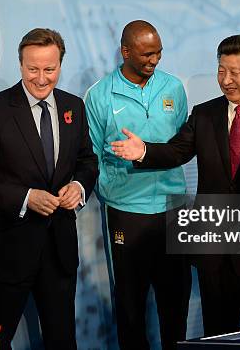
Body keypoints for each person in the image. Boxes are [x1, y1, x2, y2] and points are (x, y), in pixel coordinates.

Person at [111, 34, 240, 334]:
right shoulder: (205, 114)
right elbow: (176, 151)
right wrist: (143, 150)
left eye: (235, 73)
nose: (226, 80)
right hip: (215, 254)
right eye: (221, 71)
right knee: (217, 333)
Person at [0, 28, 98, 350]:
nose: (41, 78)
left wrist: (79, 186)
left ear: (60, 65)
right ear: (20, 65)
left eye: (49, 69)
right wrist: (25, 198)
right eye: (32, 69)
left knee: (62, 340)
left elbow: (87, 161)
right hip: (6, 251)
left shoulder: (73, 106)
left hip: (59, 252)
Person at [85, 20, 191, 349]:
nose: (154, 60)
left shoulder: (173, 88)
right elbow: (90, 156)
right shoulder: (99, 95)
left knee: (176, 303)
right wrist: (111, 187)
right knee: (131, 306)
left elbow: (181, 147)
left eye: (158, 53)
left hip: (172, 209)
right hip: (127, 213)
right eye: (147, 54)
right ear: (126, 52)